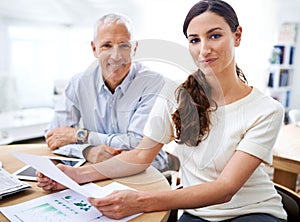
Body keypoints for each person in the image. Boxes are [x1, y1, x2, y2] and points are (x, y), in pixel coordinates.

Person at [37, 1, 287, 221]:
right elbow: (139, 156)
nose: (204, 50)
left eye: (214, 36)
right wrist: (74, 175)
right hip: (196, 211)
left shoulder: (266, 110)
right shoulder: (176, 96)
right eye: (194, 40)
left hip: (252, 212)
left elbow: (225, 188)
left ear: (237, 36)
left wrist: (141, 201)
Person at [44, 13, 169, 171]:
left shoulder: (153, 83)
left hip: (147, 171)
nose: (116, 57)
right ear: (94, 48)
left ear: (135, 48)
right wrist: (88, 151)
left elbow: (138, 144)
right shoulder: (79, 83)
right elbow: (54, 138)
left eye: (124, 45)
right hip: (96, 169)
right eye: (107, 46)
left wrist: (81, 136)